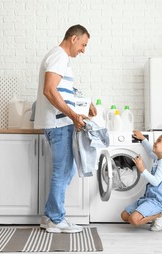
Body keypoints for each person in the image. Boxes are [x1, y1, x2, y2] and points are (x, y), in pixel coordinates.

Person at [34, 24, 96, 233]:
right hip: (59, 123)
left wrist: (84, 103)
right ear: (74, 38)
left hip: (61, 122)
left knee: (66, 170)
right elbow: (49, 90)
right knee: (63, 171)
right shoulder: (59, 56)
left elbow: (61, 89)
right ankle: (55, 218)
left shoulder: (59, 58)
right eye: (83, 45)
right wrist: (72, 114)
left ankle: (50, 216)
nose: (83, 50)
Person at [121, 130, 162, 231]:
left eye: (159, 141)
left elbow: (155, 181)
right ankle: (152, 213)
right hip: (148, 198)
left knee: (134, 220)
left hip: (157, 201)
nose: (155, 142)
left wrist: (142, 169)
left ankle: (159, 215)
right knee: (125, 216)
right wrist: (143, 139)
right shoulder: (160, 158)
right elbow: (150, 152)